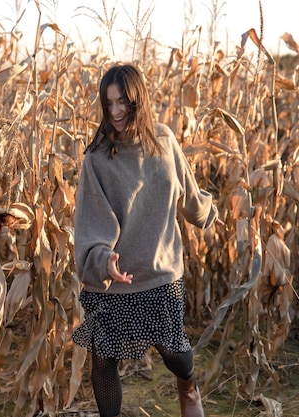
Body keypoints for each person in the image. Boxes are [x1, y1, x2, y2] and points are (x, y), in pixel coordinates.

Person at [72, 63, 219, 417]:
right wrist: (104, 260)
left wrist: (209, 214)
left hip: (159, 271)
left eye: (123, 102)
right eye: (109, 104)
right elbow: (92, 221)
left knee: (174, 352)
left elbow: (188, 193)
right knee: (104, 360)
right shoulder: (97, 159)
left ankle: (189, 388)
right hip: (113, 281)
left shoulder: (165, 141)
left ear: (138, 100)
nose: (116, 111)